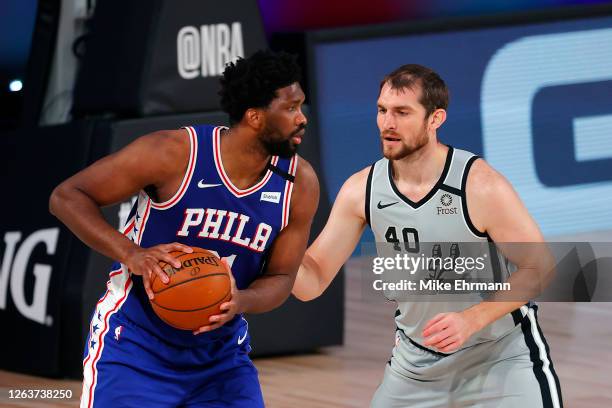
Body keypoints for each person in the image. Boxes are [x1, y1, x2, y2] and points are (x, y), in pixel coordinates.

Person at [49, 50, 319, 408]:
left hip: (221, 360)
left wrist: (242, 300)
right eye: (290, 108)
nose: (302, 118)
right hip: (135, 346)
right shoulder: (173, 154)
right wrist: (132, 254)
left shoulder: (298, 184)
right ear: (255, 117)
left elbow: (283, 277)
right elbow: (67, 196)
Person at [292, 64, 563, 407]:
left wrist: (471, 320)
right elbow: (312, 279)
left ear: (435, 119)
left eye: (402, 112)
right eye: (382, 110)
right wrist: (273, 250)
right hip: (415, 367)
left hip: (501, 359)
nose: (387, 123)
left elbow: (541, 267)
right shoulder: (361, 190)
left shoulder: (479, 185)